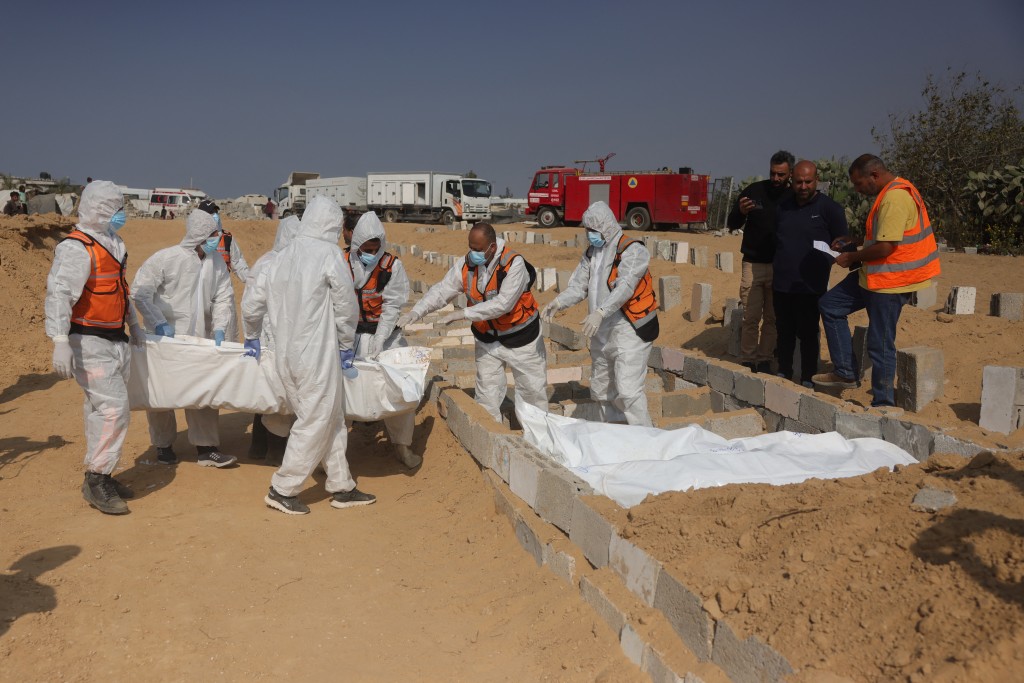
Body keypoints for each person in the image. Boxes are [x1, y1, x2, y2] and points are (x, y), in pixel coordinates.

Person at [243, 196, 374, 515]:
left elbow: (251, 305)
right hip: (317, 354)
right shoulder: (328, 254)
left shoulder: (280, 257)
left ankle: (342, 485)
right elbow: (345, 306)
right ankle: (283, 488)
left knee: (329, 418)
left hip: (285, 354)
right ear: (331, 223)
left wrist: (251, 336)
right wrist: (345, 344)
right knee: (316, 418)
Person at [44, 180, 146, 515]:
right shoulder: (76, 248)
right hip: (88, 341)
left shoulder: (114, 243)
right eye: (116, 207)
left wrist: (134, 324)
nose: (121, 214)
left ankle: (101, 470)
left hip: (115, 339)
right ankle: (97, 478)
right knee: (114, 410)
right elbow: (59, 294)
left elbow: (119, 290)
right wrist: (60, 341)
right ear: (101, 208)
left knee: (99, 410)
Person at [813, 154, 941, 407]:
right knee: (830, 305)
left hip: (891, 282)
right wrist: (856, 241)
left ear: (874, 175)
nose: (859, 190)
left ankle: (883, 403)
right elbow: (882, 236)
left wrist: (852, 256)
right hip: (872, 276)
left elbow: (885, 247)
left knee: (880, 341)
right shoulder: (890, 192)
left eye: (860, 184)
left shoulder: (895, 198)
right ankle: (845, 373)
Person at [397, 223, 548, 423]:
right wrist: (417, 311)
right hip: (487, 339)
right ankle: (492, 439)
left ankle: (538, 444)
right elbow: (442, 290)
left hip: (521, 339)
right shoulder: (466, 264)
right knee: (486, 394)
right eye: (470, 247)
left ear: (492, 247)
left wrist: (464, 314)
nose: (472, 253)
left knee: (532, 393)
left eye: (477, 249)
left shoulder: (513, 264)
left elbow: (503, 304)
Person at [131, 209, 238, 467]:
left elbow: (223, 297)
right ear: (199, 235)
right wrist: (158, 323)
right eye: (213, 234)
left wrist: (220, 327)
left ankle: (206, 448)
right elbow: (140, 293)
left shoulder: (216, 263)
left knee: (203, 391)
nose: (216, 239)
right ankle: (163, 447)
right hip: (165, 341)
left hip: (198, 339)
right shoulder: (166, 258)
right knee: (160, 394)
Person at [542, 201, 659, 427]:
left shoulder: (633, 250)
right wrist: (559, 302)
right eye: (587, 230)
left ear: (605, 227)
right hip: (601, 329)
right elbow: (579, 286)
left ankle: (646, 438)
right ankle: (613, 433)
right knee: (602, 387)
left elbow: (625, 286)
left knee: (628, 391)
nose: (589, 234)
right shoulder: (592, 252)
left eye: (592, 230)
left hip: (629, 327)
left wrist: (601, 311)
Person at [344, 212, 421, 469]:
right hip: (349, 335)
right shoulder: (342, 261)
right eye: (366, 249)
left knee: (400, 390)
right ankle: (333, 454)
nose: (371, 254)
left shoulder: (391, 266)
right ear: (356, 246)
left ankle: (402, 446)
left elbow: (392, 307)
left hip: (385, 336)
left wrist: (380, 340)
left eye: (376, 249)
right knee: (338, 393)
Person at [772, 161, 849, 388]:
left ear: (816, 181)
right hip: (782, 283)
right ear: (792, 182)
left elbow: (843, 241)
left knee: (808, 332)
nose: (803, 186)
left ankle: (808, 377)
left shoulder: (830, 209)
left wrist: (839, 250)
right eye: (798, 182)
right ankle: (784, 372)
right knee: (784, 330)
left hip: (811, 285)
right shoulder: (782, 207)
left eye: (808, 181)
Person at [727, 150, 795, 373]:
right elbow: (732, 223)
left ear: (790, 174)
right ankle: (748, 360)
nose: (776, 179)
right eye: (773, 173)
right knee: (751, 316)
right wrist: (740, 212)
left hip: (780, 266)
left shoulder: (795, 196)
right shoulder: (753, 191)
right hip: (753, 264)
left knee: (772, 318)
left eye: (781, 175)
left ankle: (765, 359)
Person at [242, 215, 301, 460]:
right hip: (268, 340)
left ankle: (264, 448)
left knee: (276, 395)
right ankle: (270, 451)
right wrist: (253, 335)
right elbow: (252, 304)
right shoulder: (268, 263)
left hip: (286, 339)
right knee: (272, 396)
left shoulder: (296, 263)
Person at [197, 199, 250, 341]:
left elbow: (238, 262)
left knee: (227, 332)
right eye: (210, 213)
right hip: (202, 291)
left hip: (223, 289)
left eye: (215, 212)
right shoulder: (195, 238)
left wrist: (251, 280)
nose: (214, 215)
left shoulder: (227, 238)